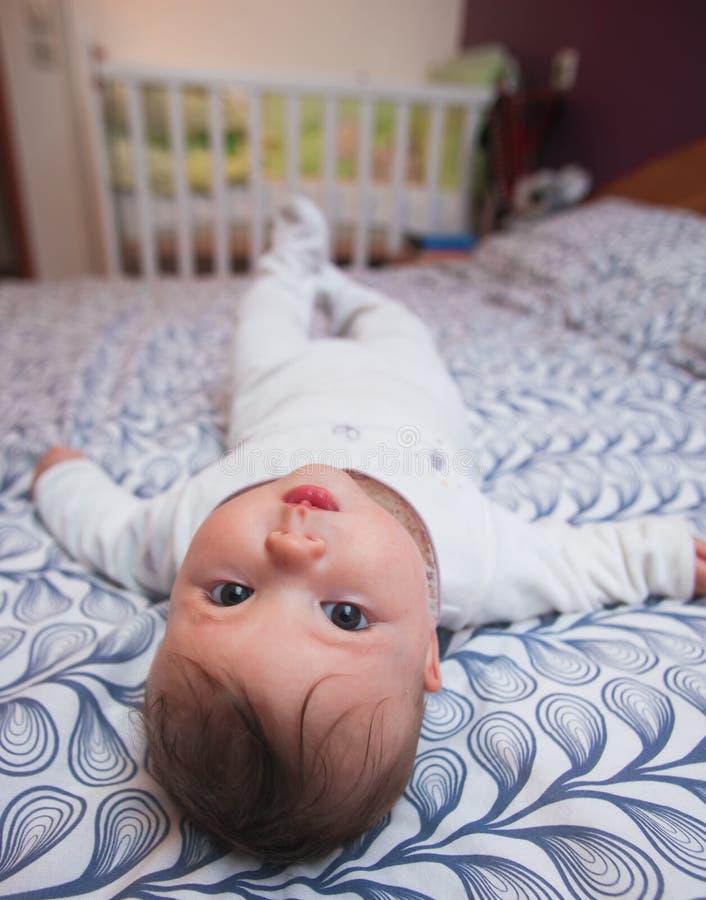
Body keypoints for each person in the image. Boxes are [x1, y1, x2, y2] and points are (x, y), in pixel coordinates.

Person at [33, 197, 706, 863]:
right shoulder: (474, 562)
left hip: (279, 378)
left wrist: (62, 478)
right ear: (426, 653)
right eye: (346, 616)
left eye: (232, 595)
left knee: (265, 314)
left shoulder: (187, 529)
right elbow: (581, 563)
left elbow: (110, 532)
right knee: (399, 323)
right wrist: (672, 559)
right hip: (407, 378)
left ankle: (303, 264)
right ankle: (354, 292)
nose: (292, 548)